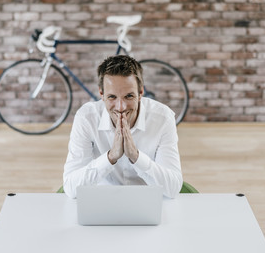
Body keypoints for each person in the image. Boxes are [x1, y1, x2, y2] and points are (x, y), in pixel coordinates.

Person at [63, 55, 183, 199]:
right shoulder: (86, 118)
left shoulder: (163, 118)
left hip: (147, 202)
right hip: (101, 201)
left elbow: (173, 188)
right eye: (112, 97)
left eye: (129, 96)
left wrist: (136, 157)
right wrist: (110, 157)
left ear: (140, 93)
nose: (121, 107)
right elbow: (70, 187)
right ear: (101, 94)